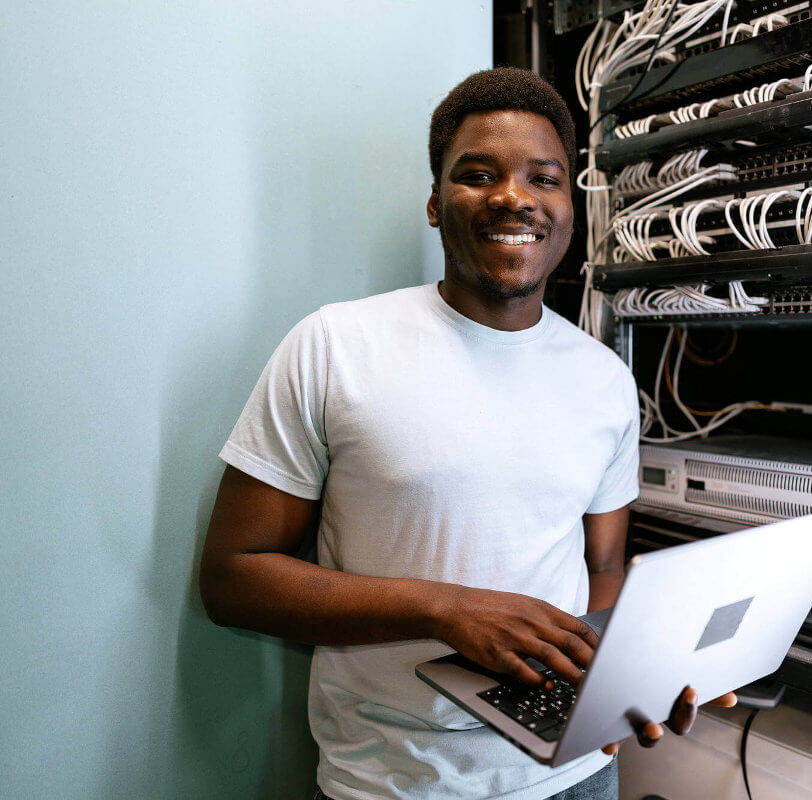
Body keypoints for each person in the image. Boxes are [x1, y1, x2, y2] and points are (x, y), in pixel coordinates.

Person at [199, 67, 734, 800]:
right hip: (394, 781)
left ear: (569, 208)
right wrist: (445, 610)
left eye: (543, 179)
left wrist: (628, 673)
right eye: (479, 175)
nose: (514, 196)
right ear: (434, 203)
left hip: (577, 774)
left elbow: (603, 565)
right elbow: (234, 579)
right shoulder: (335, 346)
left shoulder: (605, 378)